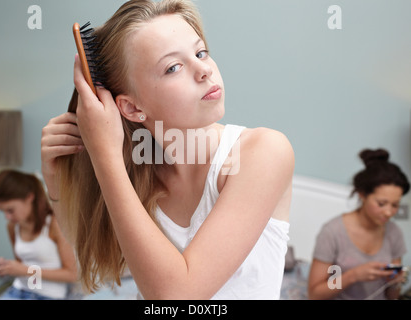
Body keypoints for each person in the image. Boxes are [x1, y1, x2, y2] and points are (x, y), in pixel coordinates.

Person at [41, 0, 294, 300]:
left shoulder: (264, 152)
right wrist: (53, 176)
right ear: (132, 108)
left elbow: (177, 297)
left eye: (201, 52)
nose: (204, 70)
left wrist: (103, 155)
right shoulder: (136, 169)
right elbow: (88, 246)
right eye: (173, 67)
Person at [308, 149, 409, 300]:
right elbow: (315, 294)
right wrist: (353, 276)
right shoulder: (333, 232)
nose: (389, 212)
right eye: (382, 204)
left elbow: (392, 296)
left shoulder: (394, 233)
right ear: (362, 194)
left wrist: (395, 283)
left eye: (395, 205)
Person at [0, 170, 78, 300]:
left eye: (10, 210)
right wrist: (7, 267)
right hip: (18, 290)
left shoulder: (54, 225)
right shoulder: (13, 227)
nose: (7, 217)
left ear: (29, 197)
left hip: (48, 296)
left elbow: (72, 274)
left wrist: (24, 270)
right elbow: (22, 265)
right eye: (3, 211)